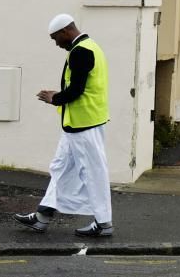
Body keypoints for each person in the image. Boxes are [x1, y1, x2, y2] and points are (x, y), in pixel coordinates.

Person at [14, 14, 114, 237]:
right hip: (77, 123)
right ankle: (42, 216)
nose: (56, 43)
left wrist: (55, 98)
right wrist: (59, 96)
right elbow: (81, 87)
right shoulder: (90, 46)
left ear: (65, 32)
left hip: (84, 124)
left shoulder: (81, 52)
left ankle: (104, 223)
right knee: (60, 169)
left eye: (55, 38)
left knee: (92, 173)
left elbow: (77, 90)